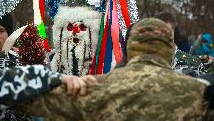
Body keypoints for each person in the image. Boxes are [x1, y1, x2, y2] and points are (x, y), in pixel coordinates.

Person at [15, 18, 214, 121]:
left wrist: (49, 78)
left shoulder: (97, 86)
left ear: (129, 47)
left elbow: (29, 100)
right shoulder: (200, 94)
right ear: (171, 50)